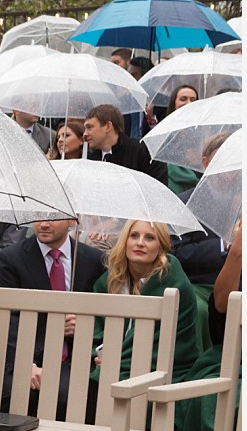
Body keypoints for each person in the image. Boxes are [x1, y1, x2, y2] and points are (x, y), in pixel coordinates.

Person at [82, 220, 203, 431]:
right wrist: (101, 352)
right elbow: (98, 330)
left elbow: (157, 345)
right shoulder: (110, 281)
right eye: (134, 235)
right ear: (123, 242)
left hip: (171, 367)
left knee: (125, 386)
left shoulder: (171, 277)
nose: (140, 242)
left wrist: (111, 360)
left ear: (161, 246)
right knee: (101, 382)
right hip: (124, 363)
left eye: (150, 238)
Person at [0, 218, 106, 431]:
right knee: (16, 385)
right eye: (38, 215)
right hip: (25, 352)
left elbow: (104, 311)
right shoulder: (13, 257)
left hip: (71, 355)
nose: (43, 223)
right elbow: (10, 319)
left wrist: (84, 324)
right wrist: (24, 361)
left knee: (67, 390)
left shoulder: (91, 260)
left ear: (71, 220)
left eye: (52, 217)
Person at [170, 219, 241, 431]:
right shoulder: (239, 250)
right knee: (209, 396)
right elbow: (223, 305)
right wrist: (238, 249)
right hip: (234, 356)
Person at [172, 132, 232, 285]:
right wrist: (223, 244)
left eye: (233, 160)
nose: (229, 166)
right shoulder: (185, 203)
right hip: (201, 284)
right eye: (221, 159)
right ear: (206, 163)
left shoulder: (240, 202)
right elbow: (177, 253)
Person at [83, 104, 168, 185]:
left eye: (89, 127)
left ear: (108, 126)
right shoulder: (89, 160)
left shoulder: (143, 152)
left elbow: (157, 188)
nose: (85, 134)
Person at [162, 84, 201, 194]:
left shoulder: (205, 131)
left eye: (193, 100)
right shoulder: (163, 131)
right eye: (183, 99)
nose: (188, 103)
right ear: (174, 104)